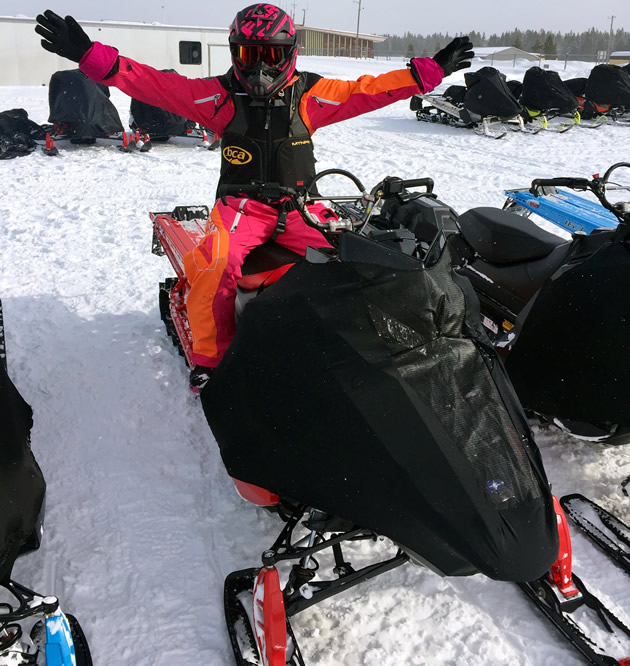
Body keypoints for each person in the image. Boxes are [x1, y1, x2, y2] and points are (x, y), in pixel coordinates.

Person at [35, 5, 474, 389]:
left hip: (301, 207)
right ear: (234, 53)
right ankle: (212, 359)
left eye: (270, 56)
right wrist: (90, 56)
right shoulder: (218, 97)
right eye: (249, 55)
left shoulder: (312, 95)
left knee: (353, 263)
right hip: (242, 208)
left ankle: (363, 348)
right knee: (213, 265)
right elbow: (152, 85)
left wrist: (427, 72)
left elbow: (369, 89)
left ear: (289, 54)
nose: (260, 69)